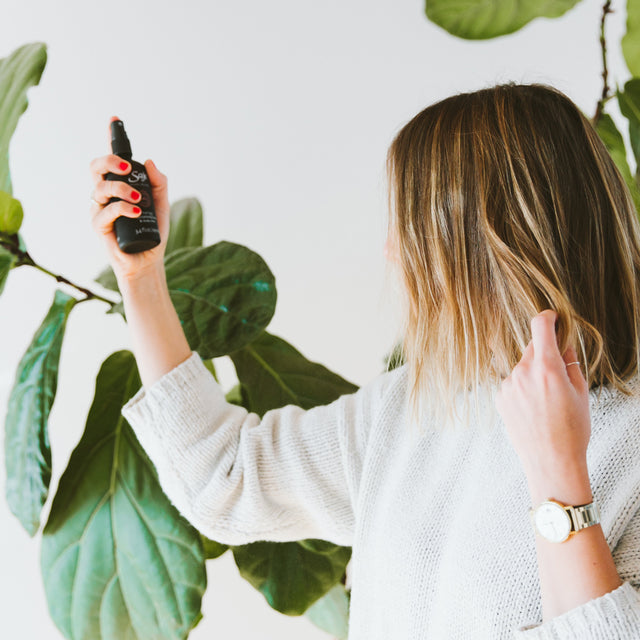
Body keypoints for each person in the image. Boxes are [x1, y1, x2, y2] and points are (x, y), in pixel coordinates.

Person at [89, 82, 640, 638]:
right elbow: (224, 478)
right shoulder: (415, 405)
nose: (392, 250)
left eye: (414, 226)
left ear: (491, 243)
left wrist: (558, 473)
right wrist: (141, 280)